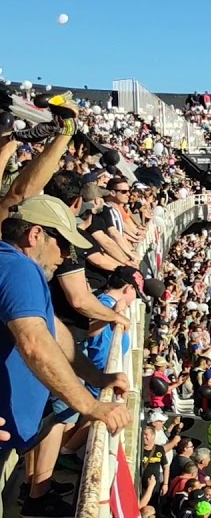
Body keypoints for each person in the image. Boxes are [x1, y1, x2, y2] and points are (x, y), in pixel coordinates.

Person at [0, 195, 129, 516]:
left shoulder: (22, 271)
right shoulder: (18, 269)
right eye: (64, 245)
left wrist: (99, 378)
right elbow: (34, 343)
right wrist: (91, 406)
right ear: (35, 236)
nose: (67, 257)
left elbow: (55, 335)